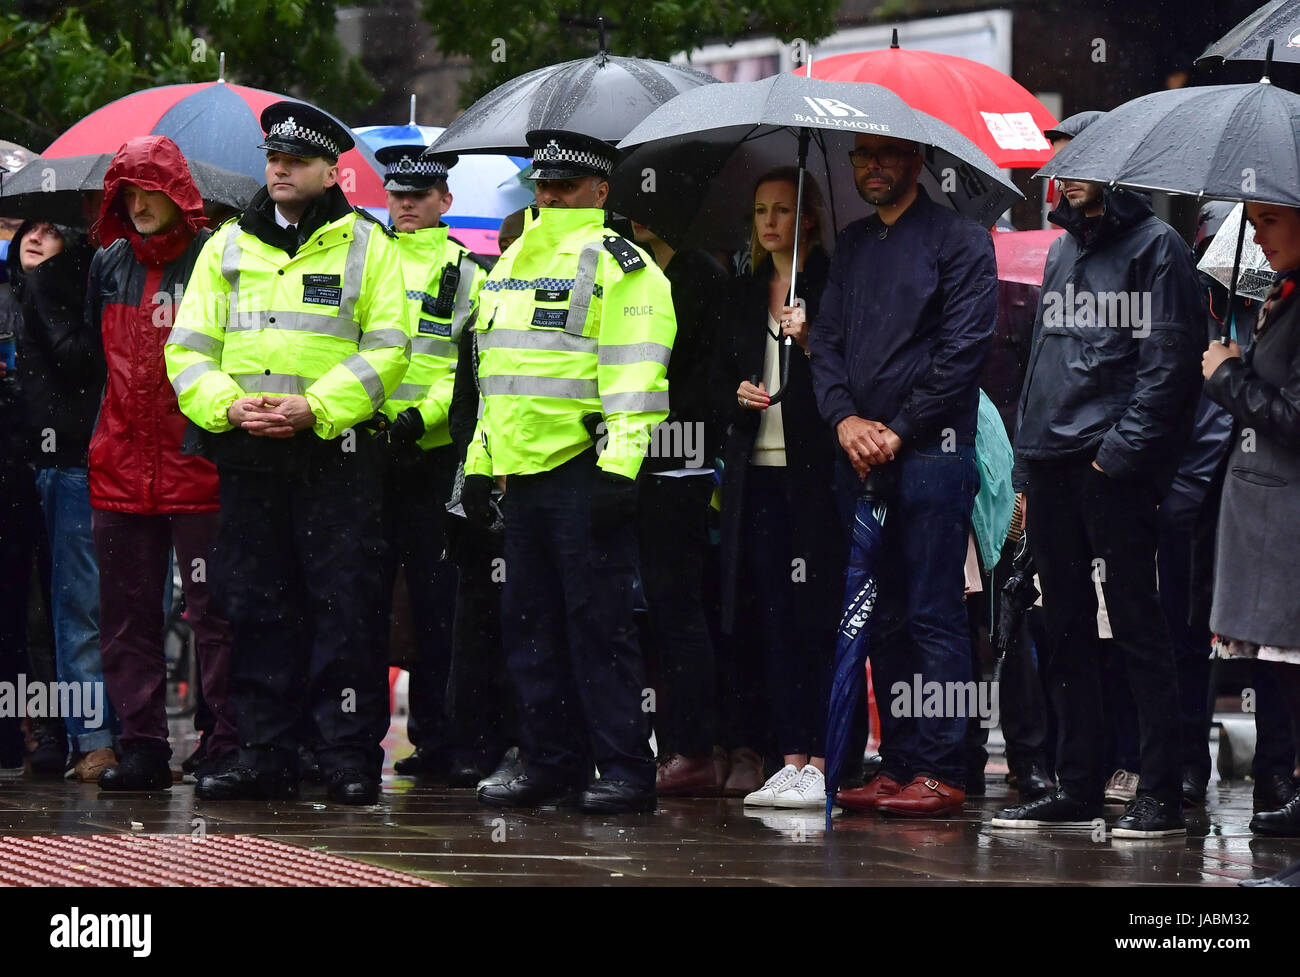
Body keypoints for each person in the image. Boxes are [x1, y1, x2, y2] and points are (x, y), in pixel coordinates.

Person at [164, 101, 412, 805]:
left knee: (344, 604)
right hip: (249, 453)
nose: (280, 167)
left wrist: (318, 407)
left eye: (297, 160)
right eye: (273, 157)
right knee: (254, 603)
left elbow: (390, 348)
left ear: (331, 170)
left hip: (334, 452)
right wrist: (225, 405)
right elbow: (187, 347)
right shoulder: (226, 246)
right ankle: (265, 749)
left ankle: (344, 753)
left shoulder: (371, 246)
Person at [994, 128, 1205, 837]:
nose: (1067, 173)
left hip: (1108, 469)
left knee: (1140, 629)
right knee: (1065, 631)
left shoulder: (1159, 248)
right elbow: (1042, 365)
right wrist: (1026, 463)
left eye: (1083, 161)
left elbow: (1170, 364)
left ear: (1121, 170)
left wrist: (1115, 457)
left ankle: (1161, 793)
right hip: (1052, 465)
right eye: (1063, 163)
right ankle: (1076, 785)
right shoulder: (1061, 249)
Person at [462, 129, 674, 814]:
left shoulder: (625, 266)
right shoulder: (514, 254)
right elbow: (497, 370)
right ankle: (548, 762)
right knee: (528, 627)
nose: (550, 194)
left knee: (600, 627)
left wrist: (621, 469)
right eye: (543, 182)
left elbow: (637, 375)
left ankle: (623, 768)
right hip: (520, 478)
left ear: (600, 191)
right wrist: (478, 462)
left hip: (586, 471)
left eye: (566, 185)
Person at [811, 135, 996, 818]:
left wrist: (898, 428)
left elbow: (964, 349)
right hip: (856, 458)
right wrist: (843, 422)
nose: (871, 167)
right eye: (860, 156)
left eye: (885, 154)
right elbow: (825, 343)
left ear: (917, 161)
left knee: (934, 614)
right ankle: (899, 762)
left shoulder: (961, 240)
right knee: (881, 621)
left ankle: (944, 767)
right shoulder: (853, 244)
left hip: (932, 456)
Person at [84, 136, 236, 791]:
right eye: (129, 191)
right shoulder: (108, 263)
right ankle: (142, 744)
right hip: (120, 464)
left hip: (195, 464)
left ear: (178, 195)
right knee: (125, 612)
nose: (139, 203)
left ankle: (225, 742)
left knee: (216, 612)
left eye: (151, 190)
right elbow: (100, 359)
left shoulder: (214, 258)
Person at [713, 168, 842, 809]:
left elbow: (855, 370)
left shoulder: (830, 282)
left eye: (783, 210)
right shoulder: (742, 292)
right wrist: (735, 395)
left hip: (814, 475)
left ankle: (823, 756)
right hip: (755, 475)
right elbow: (715, 381)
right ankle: (787, 757)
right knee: (770, 617)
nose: (769, 222)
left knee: (816, 615)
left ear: (808, 219)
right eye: (761, 210)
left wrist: (812, 338)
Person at [370, 145, 488, 780]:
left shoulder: (467, 272)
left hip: (434, 457)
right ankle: (357, 742)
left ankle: (442, 741)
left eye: (419, 196)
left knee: (440, 606)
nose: (407, 205)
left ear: (445, 200)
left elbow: (467, 370)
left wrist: (422, 419)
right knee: (363, 601)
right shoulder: (367, 258)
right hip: (365, 452)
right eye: (398, 196)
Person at [8, 219, 119, 782]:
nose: (34, 237)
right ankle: (83, 736)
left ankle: (100, 736)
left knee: (89, 605)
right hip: (58, 463)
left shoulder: (82, 280)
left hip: (88, 460)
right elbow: (78, 362)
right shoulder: (51, 288)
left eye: (51, 232)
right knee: (67, 608)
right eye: (31, 228)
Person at [1202, 199, 1300, 836]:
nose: (1256, 237)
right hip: (1263, 516)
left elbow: (1294, 418)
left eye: (1267, 221)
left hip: (1283, 521)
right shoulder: (1286, 296)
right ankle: (1279, 794)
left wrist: (1229, 374)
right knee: (1274, 667)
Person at [629, 220, 729, 796]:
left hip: (678, 461)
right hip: (641, 456)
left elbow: (688, 375)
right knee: (655, 612)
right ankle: (671, 745)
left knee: (676, 608)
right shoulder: (643, 265)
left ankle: (691, 747)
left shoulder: (693, 274)